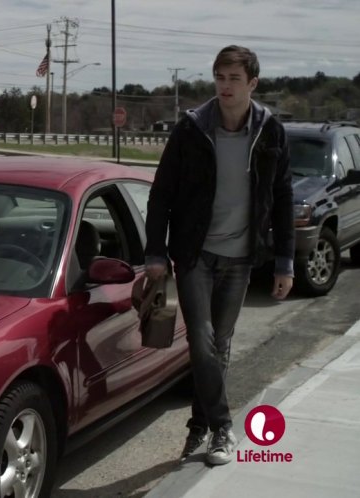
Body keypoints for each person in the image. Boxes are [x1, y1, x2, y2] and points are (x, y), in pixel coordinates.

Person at [144, 45, 294, 466]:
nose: (225, 86)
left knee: (220, 346)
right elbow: (161, 194)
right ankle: (225, 429)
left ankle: (197, 429)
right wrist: (155, 251)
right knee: (203, 343)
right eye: (219, 78)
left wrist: (285, 262)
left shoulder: (270, 132)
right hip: (196, 255)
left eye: (233, 79)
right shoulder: (191, 129)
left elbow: (282, 198)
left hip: (241, 257)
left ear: (252, 83)